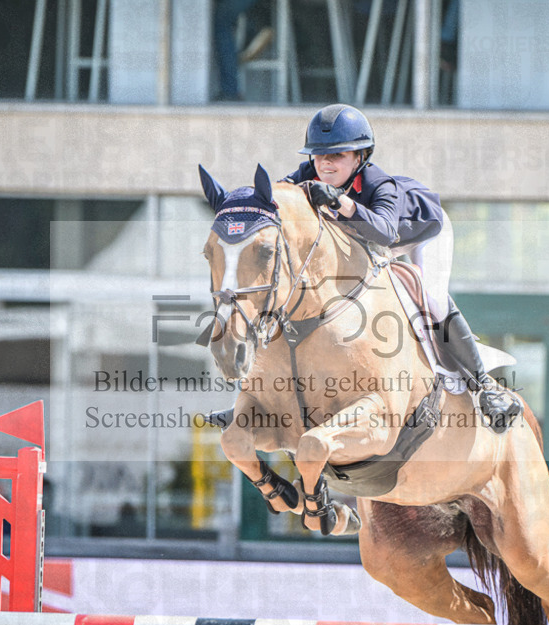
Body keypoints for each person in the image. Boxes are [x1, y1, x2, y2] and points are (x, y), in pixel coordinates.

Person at [206, 103, 521, 433]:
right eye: (319, 155)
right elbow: (275, 199)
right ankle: (259, 399)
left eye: (338, 155)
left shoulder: (380, 184)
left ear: (360, 156)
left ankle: (485, 387)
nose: (326, 163)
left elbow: (385, 232)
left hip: (420, 233)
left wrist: (340, 201)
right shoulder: (308, 174)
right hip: (365, 238)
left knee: (432, 298)